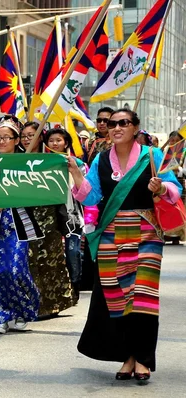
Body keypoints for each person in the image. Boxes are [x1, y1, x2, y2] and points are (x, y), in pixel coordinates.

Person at [69, 109, 182, 381]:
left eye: (123, 123)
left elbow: (174, 188)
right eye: (111, 123)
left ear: (135, 127)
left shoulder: (152, 156)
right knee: (118, 299)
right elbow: (92, 196)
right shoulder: (100, 160)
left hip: (146, 232)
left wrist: (161, 188)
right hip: (111, 233)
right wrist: (75, 173)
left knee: (142, 297)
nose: (116, 127)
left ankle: (143, 359)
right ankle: (127, 357)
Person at [0, 115, 43, 334]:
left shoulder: (27, 162)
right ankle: (0, 316)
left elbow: (37, 191)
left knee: (14, 269)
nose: (1, 142)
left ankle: (22, 310)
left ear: (16, 140)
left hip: (17, 224)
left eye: (6, 137)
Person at [23, 123, 75, 317]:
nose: (27, 139)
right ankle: (31, 304)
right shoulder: (16, 160)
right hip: (23, 216)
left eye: (32, 135)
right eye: (24, 135)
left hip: (49, 216)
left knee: (51, 260)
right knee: (28, 261)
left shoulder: (53, 160)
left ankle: (54, 303)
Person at [46, 128, 86, 304]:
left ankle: (75, 286)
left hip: (73, 215)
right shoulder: (42, 163)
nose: (55, 143)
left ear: (66, 143)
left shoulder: (78, 164)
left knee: (73, 252)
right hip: (51, 215)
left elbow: (87, 186)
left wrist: (74, 170)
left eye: (59, 140)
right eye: (51, 140)